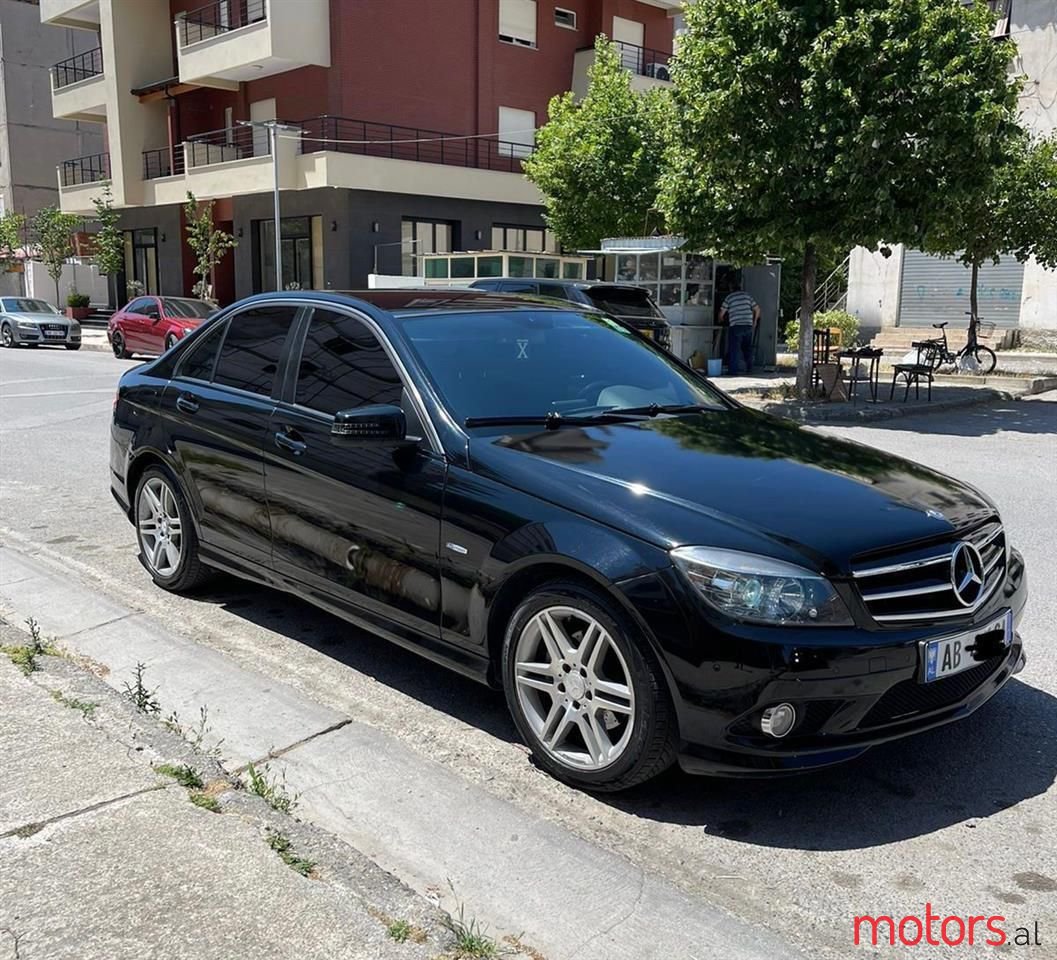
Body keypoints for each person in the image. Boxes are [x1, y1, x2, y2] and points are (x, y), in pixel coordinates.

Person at [720, 284, 760, 375]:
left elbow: (722, 312)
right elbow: (757, 309)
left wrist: (721, 319)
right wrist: (755, 321)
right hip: (748, 325)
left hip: (736, 326)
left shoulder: (729, 297)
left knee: (734, 349)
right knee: (747, 348)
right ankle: (750, 369)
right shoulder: (747, 296)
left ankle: (733, 371)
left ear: (731, 289)